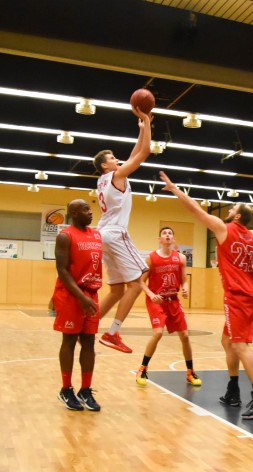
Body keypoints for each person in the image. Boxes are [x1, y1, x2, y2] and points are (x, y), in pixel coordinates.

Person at [159, 171, 253, 419]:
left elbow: (195, 211)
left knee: (240, 345)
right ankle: (233, 390)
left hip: (237, 296)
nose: (230, 209)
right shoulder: (251, 236)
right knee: (227, 342)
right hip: (246, 294)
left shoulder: (225, 229)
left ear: (238, 216)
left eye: (233, 208)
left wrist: (175, 189)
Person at [93, 105, 152, 354]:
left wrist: (140, 129)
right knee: (138, 283)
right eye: (112, 158)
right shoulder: (117, 176)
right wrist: (147, 122)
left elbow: (135, 151)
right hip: (116, 233)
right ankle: (112, 332)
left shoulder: (103, 179)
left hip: (102, 234)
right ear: (106, 166)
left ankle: (89, 325)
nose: (116, 159)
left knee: (117, 289)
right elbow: (144, 152)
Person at [135, 227, 202, 387]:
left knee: (185, 336)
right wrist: (151, 295)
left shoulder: (181, 258)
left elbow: (184, 280)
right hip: (157, 301)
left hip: (174, 300)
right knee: (158, 333)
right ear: (159, 239)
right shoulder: (151, 258)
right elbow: (140, 281)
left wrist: (185, 287)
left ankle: (190, 372)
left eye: (170, 233)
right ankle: (142, 368)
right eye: (164, 233)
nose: (167, 235)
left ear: (173, 239)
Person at [53, 199, 103, 411]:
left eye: (90, 209)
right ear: (73, 213)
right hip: (72, 294)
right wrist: (81, 297)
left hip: (91, 293)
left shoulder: (97, 234)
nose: (90, 213)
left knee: (89, 341)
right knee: (70, 340)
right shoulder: (65, 236)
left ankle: (85, 389)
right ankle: (66, 389)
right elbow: (62, 270)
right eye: (85, 209)